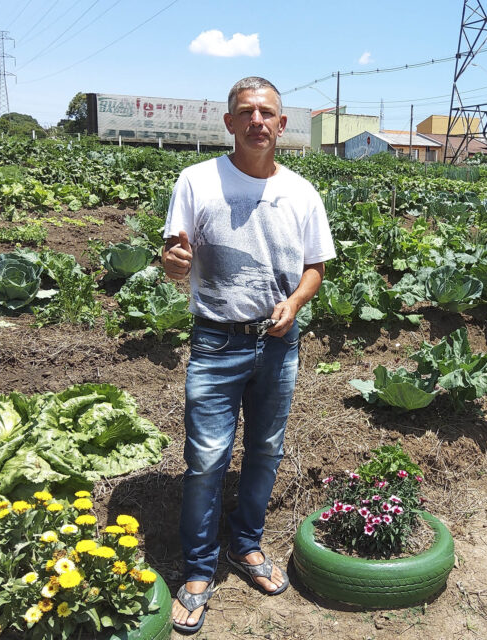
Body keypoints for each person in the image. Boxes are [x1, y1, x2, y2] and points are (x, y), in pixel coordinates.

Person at [161, 76, 335, 634]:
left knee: (264, 450)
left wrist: (295, 302)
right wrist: (173, 264)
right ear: (230, 122)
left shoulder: (303, 192)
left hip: (279, 343)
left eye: (267, 112)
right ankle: (198, 570)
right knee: (207, 458)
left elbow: (315, 267)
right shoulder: (197, 180)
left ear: (282, 124)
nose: (257, 120)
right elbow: (174, 253)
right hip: (216, 340)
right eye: (246, 111)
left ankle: (246, 543)